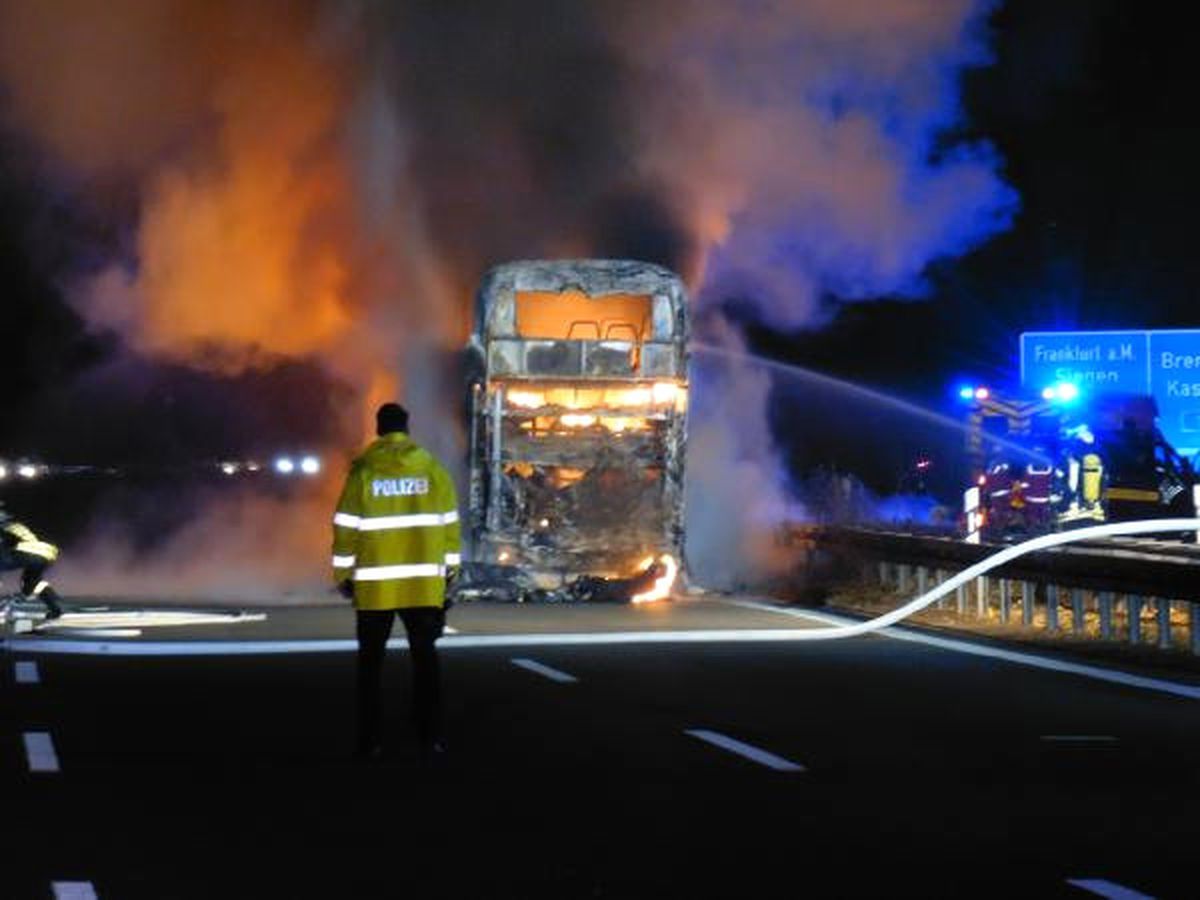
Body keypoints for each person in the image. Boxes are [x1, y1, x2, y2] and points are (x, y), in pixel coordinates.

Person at [333, 402, 461, 760]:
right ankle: (430, 737)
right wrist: (450, 574)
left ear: (378, 429)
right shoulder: (433, 470)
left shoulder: (363, 473)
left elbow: (345, 527)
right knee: (426, 664)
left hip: (375, 589)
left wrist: (344, 575)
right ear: (407, 428)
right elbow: (450, 525)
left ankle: (369, 741)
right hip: (422, 587)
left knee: (370, 668)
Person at [0, 503, 64, 619]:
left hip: (29, 550)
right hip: (49, 553)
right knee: (32, 582)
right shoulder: (15, 521)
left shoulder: (4, 524)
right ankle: (55, 609)